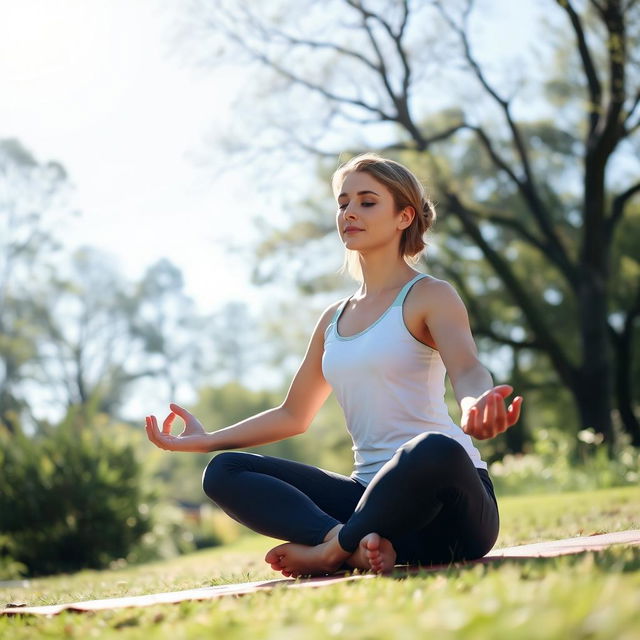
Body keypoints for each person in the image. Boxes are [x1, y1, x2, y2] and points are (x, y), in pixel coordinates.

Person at [145, 153, 523, 577]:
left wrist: (475, 402)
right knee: (225, 470)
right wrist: (208, 440)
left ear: (404, 216)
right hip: (370, 507)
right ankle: (343, 540)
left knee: (433, 447)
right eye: (343, 203)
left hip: (449, 509)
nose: (349, 213)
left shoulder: (430, 295)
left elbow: (467, 368)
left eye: (367, 201)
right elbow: (294, 414)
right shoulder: (332, 319)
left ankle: (329, 553)